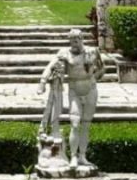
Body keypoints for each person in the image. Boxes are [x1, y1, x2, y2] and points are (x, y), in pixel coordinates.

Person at [38, 28, 111, 171]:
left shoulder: (92, 52)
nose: (75, 43)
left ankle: (82, 156)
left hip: (90, 89)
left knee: (85, 124)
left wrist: (93, 77)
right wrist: (42, 81)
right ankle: (73, 156)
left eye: (77, 40)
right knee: (75, 123)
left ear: (82, 40)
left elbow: (102, 69)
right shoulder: (65, 54)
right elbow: (51, 66)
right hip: (74, 90)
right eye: (72, 41)